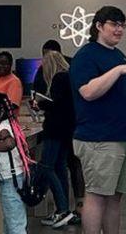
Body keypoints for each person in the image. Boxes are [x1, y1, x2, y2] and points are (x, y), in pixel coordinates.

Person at [69, 6, 126, 234]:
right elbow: (88, 92)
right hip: (100, 139)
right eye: (114, 24)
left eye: (123, 25)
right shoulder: (87, 55)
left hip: (124, 138)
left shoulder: (118, 55)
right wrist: (118, 70)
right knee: (97, 195)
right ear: (99, 26)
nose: (119, 29)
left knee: (114, 198)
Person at [36, 50, 78, 229]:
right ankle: (64, 209)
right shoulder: (70, 78)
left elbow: (56, 105)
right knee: (60, 168)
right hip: (67, 130)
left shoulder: (58, 79)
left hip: (55, 129)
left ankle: (62, 209)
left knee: (46, 167)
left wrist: (41, 103)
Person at [0, 93, 28, 234]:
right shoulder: (10, 123)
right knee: (14, 219)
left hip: (10, 178)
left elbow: (9, 143)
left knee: (15, 222)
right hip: (16, 175)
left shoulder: (1, 128)